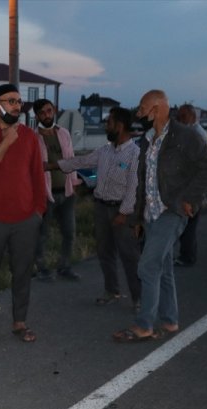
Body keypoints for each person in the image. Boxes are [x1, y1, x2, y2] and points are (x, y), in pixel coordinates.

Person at [113, 90, 207, 342]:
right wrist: (138, 217)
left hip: (171, 211)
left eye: (142, 108)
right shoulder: (147, 140)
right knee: (163, 268)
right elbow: (143, 181)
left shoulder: (185, 136)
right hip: (151, 213)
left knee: (148, 266)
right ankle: (170, 321)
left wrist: (190, 198)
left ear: (158, 108)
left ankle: (144, 325)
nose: (139, 114)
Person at [0, 83, 47, 344]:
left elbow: (37, 175)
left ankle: (20, 322)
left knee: (23, 272)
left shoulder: (30, 137)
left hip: (25, 219)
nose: (17, 105)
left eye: (18, 101)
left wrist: (39, 211)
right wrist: (5, 142)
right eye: (11, 101)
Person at [46, 107, 141, 308]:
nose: (106, 125)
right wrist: (53, 166)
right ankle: (111, 291)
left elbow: (134, 187)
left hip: (121, 212)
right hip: (101, 208)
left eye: (109, 122)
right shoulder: (105, 151)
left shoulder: (134, 154)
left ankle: (139, 299)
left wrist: (123, 214)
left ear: (120, 126)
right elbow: (81, 161)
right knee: (105, 253)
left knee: (129, 256)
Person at [32, 99, 81, 281]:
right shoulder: (33, 137)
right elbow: (37, 166)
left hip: (67, 191)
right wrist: (57, 165)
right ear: (37, 116)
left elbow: (72, 158)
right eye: (43, 112)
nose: (47, 115)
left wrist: (74, 183)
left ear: (54, 111)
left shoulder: (64, 134)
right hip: (45, 193)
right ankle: (41, 268)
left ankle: (64, 266)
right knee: (42, 234)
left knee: (69, 232)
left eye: (49, 111)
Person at [173, 103, 207, 267]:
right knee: (186, 223)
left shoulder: (195, 134)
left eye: (183, 116)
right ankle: (187, 254)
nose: (179, 119)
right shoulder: (190, 132)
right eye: (178, 116)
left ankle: (187, 256)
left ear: (193, 117)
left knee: (187, 224)